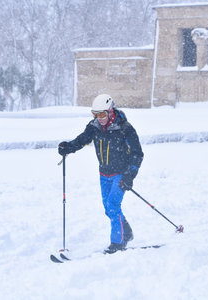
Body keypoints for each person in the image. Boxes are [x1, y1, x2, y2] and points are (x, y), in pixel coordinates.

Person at [58, 94, 144, 254]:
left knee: (112, 206)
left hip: (121, 173)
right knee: (107, 207)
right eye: (95, 114)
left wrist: (129, 175)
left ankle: (118, 243)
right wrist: (68, 147)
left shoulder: (125, 128)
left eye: (102, 114)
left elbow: (137, 154)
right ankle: (127, 232)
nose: (99, 118)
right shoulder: (94, 126)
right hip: (104, 174)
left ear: (111, 111)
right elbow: (82, 140)